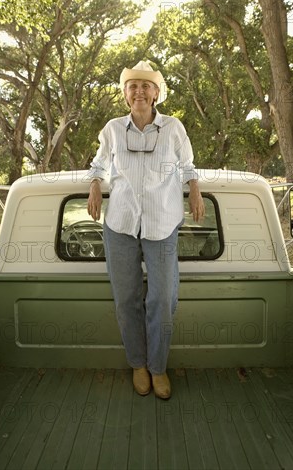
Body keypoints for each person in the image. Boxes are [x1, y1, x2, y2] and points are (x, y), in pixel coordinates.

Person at [87, 61, 204, 399]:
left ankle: (158, 366)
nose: (139, 91)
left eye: (145, 86)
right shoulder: (112, 129)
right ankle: (138, 364)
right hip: (120, 223)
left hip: (162, 222)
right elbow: (99, 164)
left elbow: (187, 165)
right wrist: (95, 183)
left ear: (156, 93)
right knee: (127, 299)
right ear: (126, 95)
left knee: (162, 299)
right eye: (132, 86)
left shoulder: (173, 128)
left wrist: (194, 187)